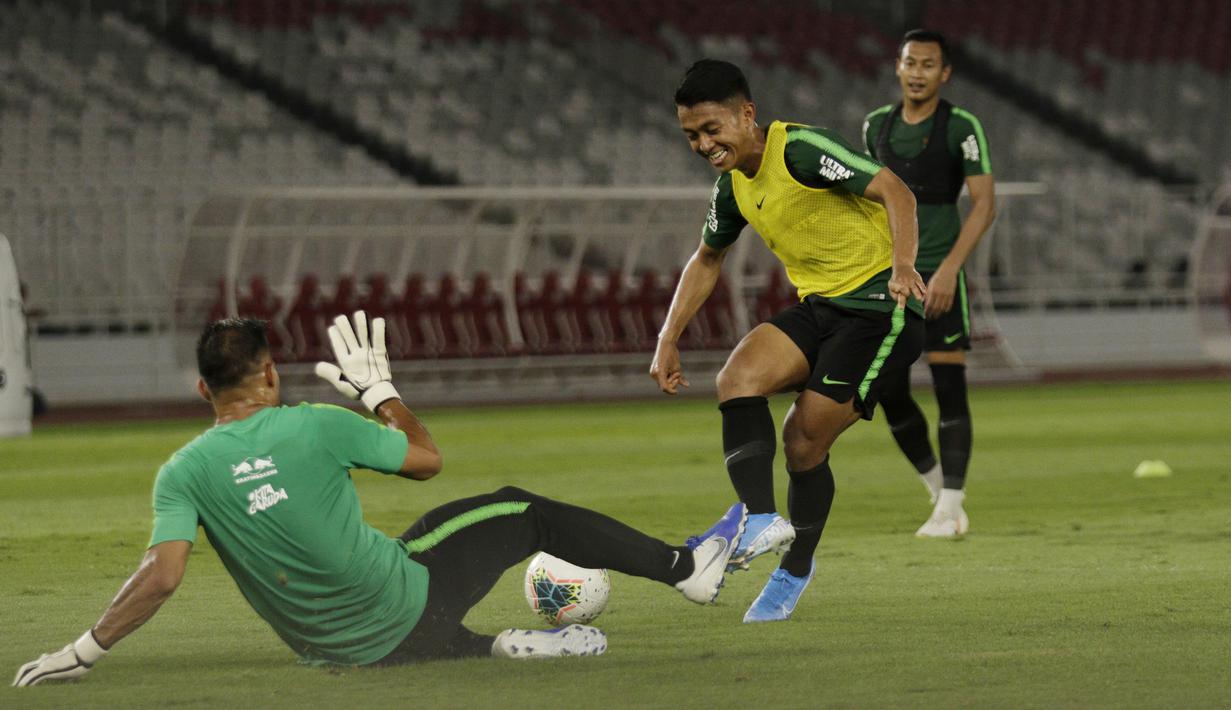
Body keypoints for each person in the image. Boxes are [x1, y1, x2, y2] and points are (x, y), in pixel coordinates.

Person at [13, 312, 745, 686]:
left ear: (203, 389)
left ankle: (495, 646)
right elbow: (426, 461)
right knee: (523, 510)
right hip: (403, 604)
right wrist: (382, 396)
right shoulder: (316, 425)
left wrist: (82, 650)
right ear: (269, 374)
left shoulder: (182, 471)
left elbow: (164, 574)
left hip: (335, 649)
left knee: (419, 538)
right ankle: (687, 569)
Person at [651, 59, 926, 623]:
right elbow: (707, 259)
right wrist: (667, 338)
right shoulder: (731, 187)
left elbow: (896, 191)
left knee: (802, 442)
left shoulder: (800, 150)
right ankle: (759, 518)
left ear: (746, 115)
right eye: (691, 136)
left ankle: (795, 566)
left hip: (880, 310)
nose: (703, 144)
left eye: (711, 129)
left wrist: (902, 266)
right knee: (736, 380)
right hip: (821, 307)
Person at [862, 30, 996, 538]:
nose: (917, 72)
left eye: (928, 65)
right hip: (891, 280)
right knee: (889, 392)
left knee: (948, 387)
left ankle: (951, 503)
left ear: (945, 74)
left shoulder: (961, 126)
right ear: (897, 67)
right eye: (909, 62)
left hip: (939, 274)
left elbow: (985, 203)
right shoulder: (876, 125)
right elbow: (863, 199)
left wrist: (948, 271)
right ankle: (941, 496)